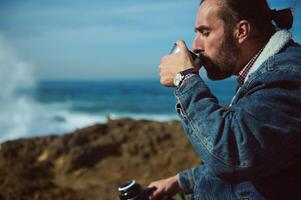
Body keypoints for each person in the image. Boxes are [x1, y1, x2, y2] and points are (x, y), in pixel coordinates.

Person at [148, 0, 301, 199]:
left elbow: (234, 153)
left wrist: (184, 79)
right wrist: (181, 181)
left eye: (205, 32)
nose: (196, 45)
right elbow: (263, 157)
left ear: (241, 31)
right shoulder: (263, 72)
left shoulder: (286, 75)